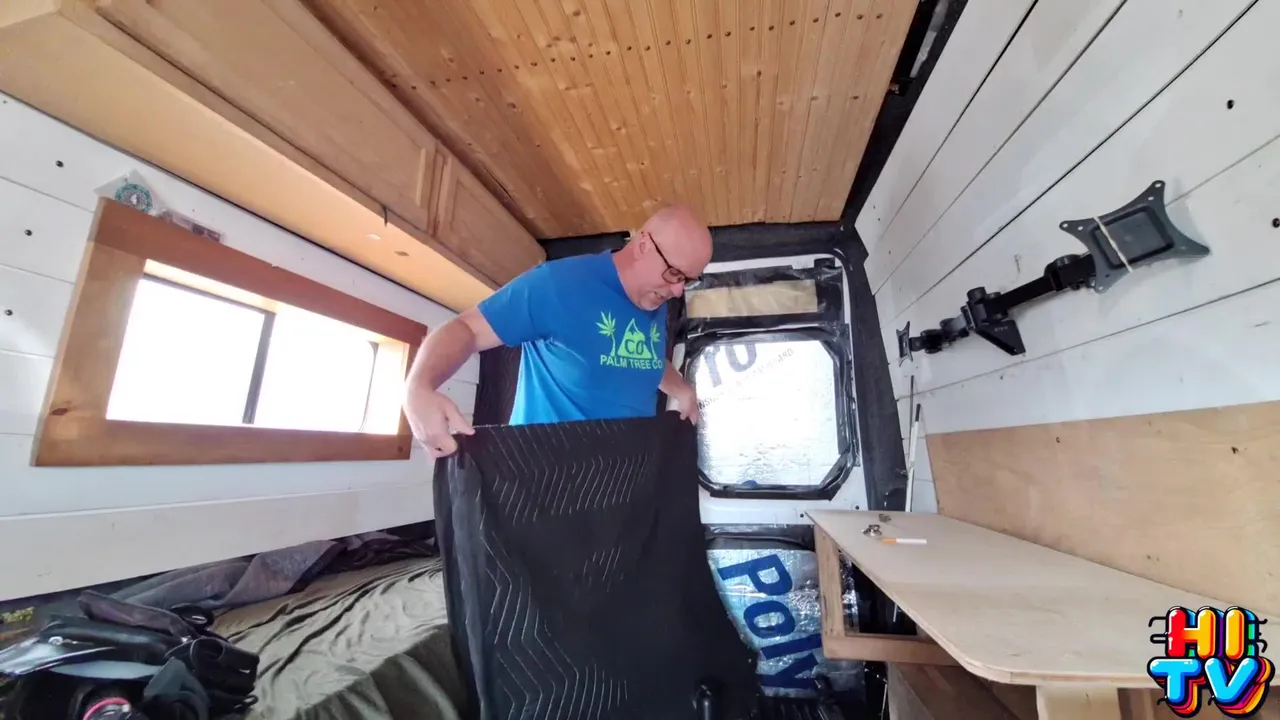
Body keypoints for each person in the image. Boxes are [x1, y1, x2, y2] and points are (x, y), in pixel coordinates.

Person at [404, 204, 714, 457]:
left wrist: (682, 389)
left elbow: (642, 360)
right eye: (674, 274)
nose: (678, 291)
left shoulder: (655, 299)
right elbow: (466, 329)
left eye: (688, 280)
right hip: (545, 484)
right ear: (643, 245)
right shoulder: (557, 284)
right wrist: (419, 387)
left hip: (619, 486)